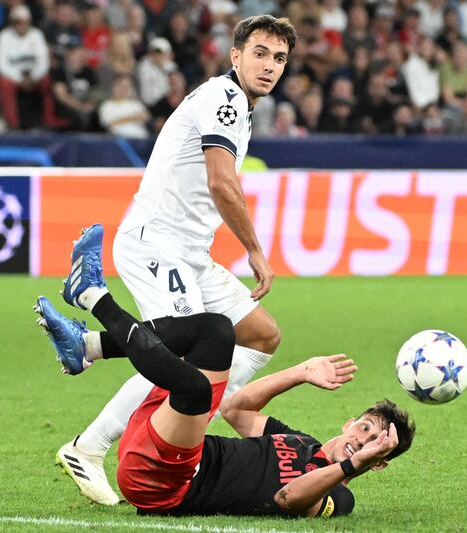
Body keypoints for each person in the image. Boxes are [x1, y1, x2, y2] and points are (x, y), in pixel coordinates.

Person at [52, 15, 297, 506]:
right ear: (235, 56)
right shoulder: (224, 100)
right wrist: (254, 250)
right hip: (155, 244)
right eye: (260, 53)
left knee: (261, 335)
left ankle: (118, 364)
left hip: (188, 253)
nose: (270, 66)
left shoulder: (238, 106)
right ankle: (88, 447)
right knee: (181, 359)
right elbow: (221, 182)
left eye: (279, 58)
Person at [35, 224, 415, 517]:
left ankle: (92, 296)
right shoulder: (300, 442)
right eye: (365, 429)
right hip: (162, 436)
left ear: (377, 464)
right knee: (214, 329)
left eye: (372, 446)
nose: (360, 441)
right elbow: (237, 410)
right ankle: (88, 347)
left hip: (165, 483)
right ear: (350, 422)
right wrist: (301, 371)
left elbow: (289, 498)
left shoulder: (339, 496)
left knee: (197, 391)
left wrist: (352, 465)